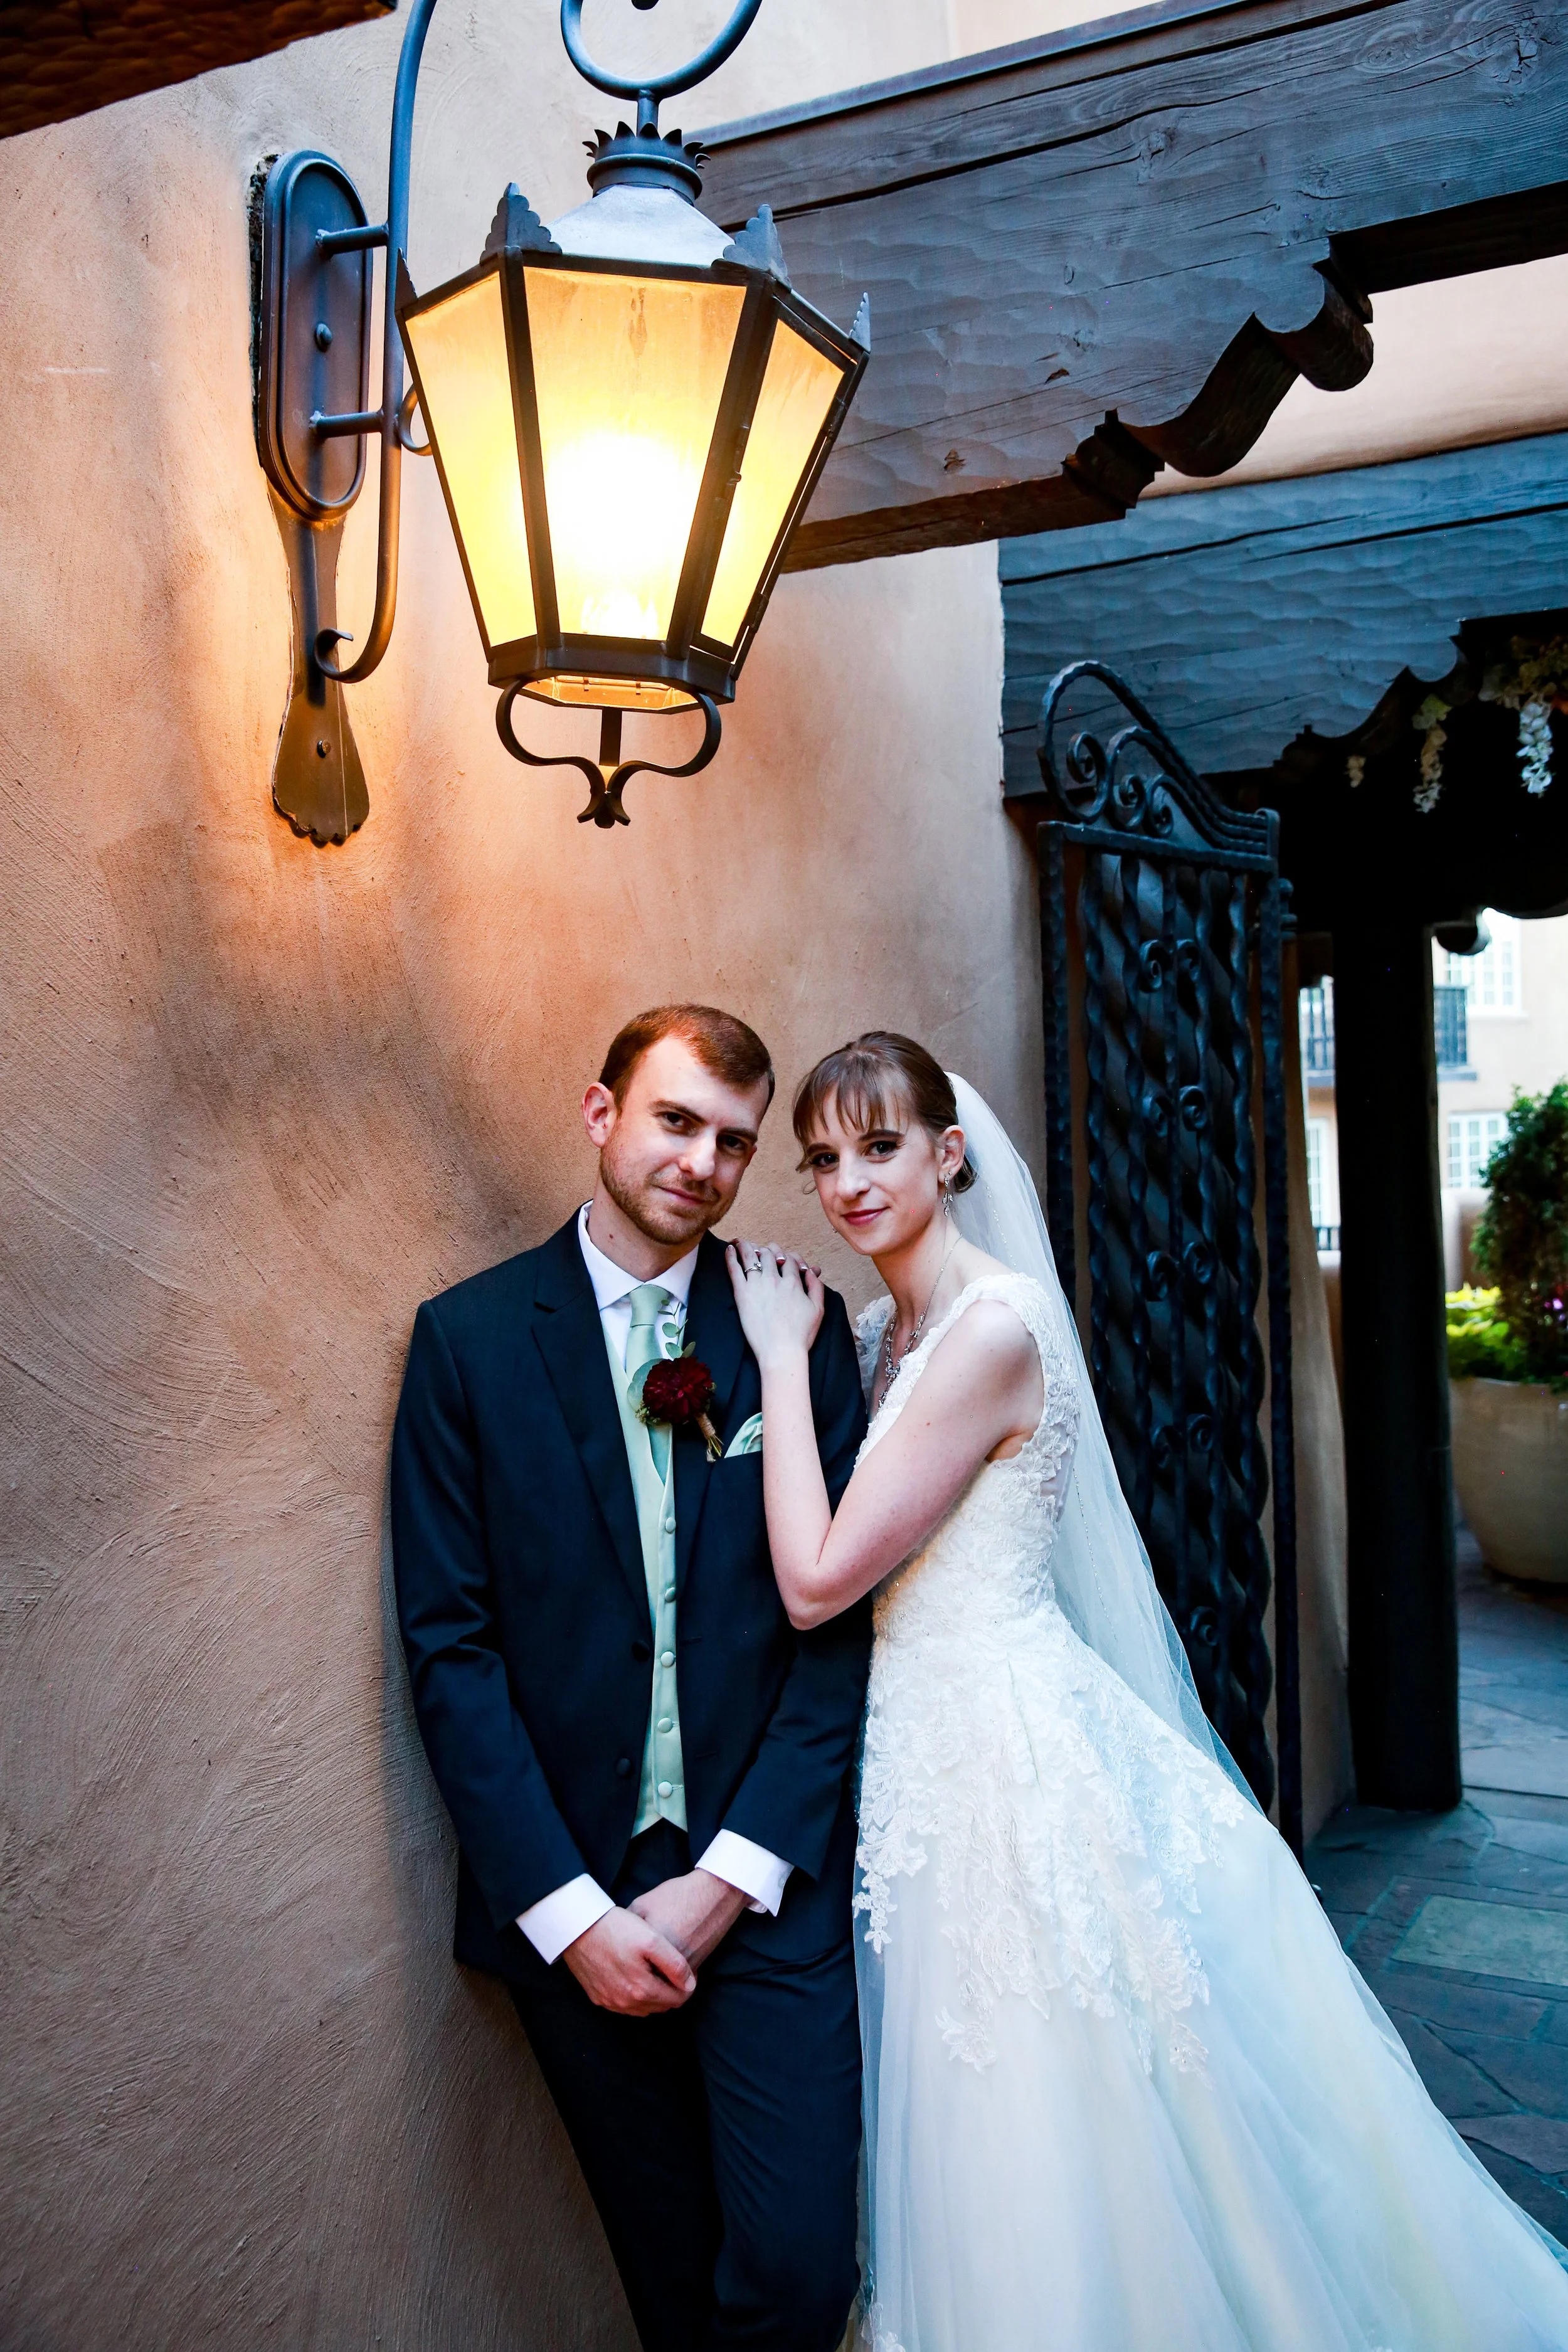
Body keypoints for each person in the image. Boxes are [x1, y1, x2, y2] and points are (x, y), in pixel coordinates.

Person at [728, 1029, 1568, 2352]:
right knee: (955, 2103)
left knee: (1033, 2104)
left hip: (1001, 1754)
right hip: (913, 1757)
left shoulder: (989, 1330)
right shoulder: (892, 1326)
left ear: (948, 1156)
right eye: (821, 1158)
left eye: (878, 1147)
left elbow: (820, 1580)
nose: (846, 1183)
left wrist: (778, 1364)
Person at [391, 1005, 871, 2352]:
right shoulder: (469, 1343)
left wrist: (728, 1883)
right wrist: (568, 1914)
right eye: (673, 1121)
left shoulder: (796, 1330)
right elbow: (451, 1648)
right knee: (668, 2282)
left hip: (765, 1898)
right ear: (601, 1115)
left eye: (733, 1140)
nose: (701, 1162)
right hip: (573, 1902)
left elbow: (834, 1636)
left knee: (791, 2275)